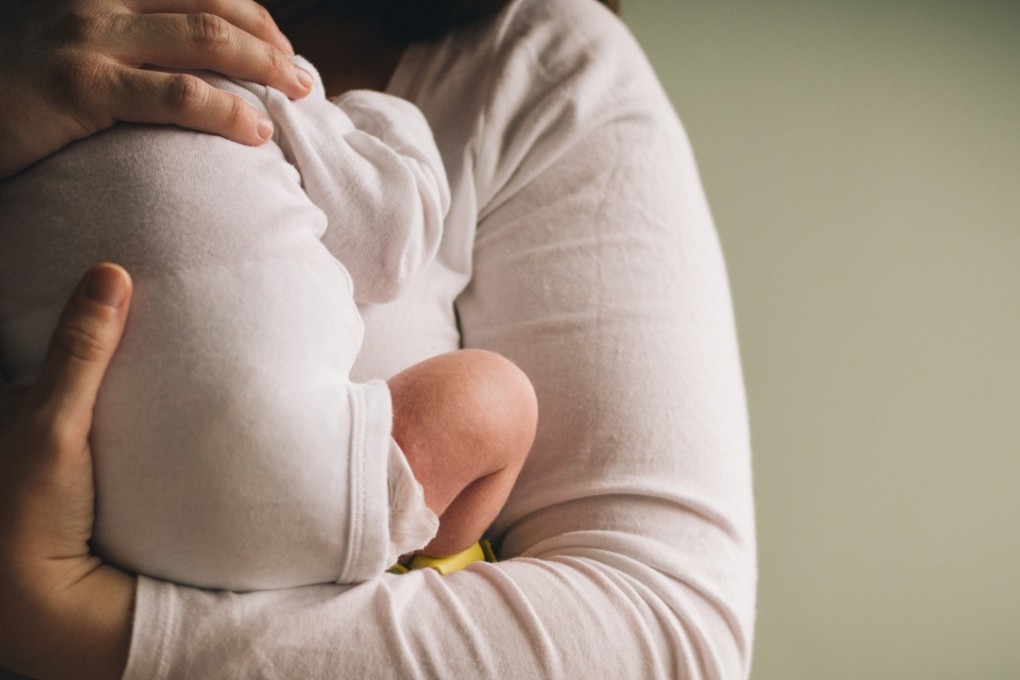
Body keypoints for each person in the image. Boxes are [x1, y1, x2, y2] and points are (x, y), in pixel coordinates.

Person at [0, 0, 757, 678]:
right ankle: (414, 529)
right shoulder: (270, 90)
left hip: (207, 497)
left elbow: (666, 638)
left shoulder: (538, 66)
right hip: (322, 495)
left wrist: (82, 631)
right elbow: (386, 237)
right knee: (491, 401)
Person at [0, 50, 536, 591]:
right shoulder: (245, 69)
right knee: (501, 399)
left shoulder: (23, 106)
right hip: (302, 491)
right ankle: (423, 544)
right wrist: (385, 118)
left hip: (80, 505)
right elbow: (389, 249)